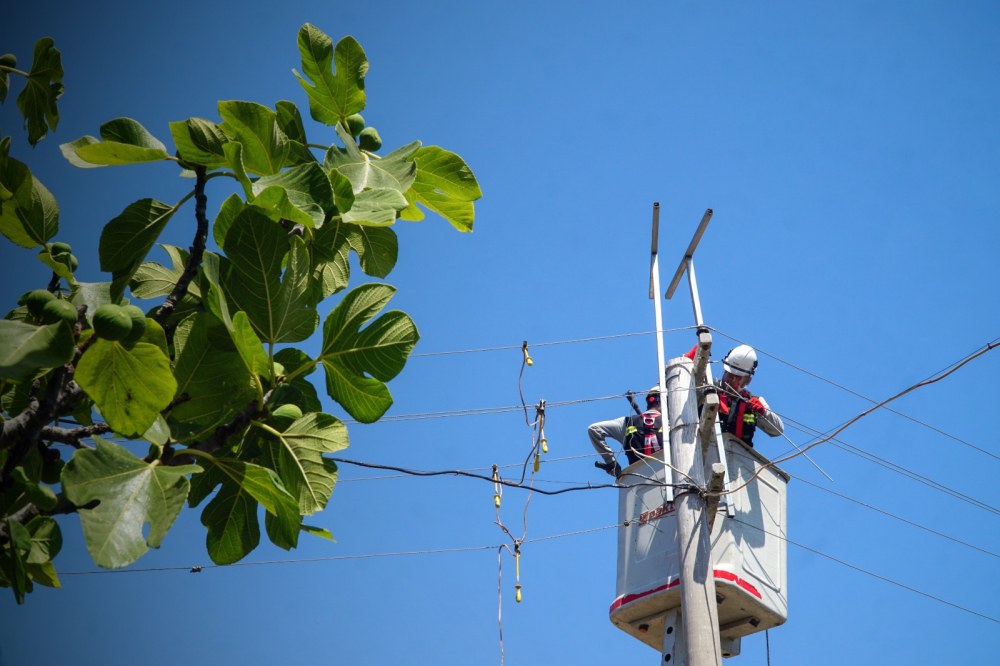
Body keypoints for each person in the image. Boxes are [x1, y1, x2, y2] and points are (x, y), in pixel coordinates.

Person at [688, 343, 783, 448]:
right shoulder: (708, 389)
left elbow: (778, 430)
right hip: (704, 451)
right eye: (729, 374)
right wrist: (687, 363)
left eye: (737, 377)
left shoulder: (754, 400)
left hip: (737, 459)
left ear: (747, 381)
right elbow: (682, 390)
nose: (731, 379)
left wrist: (763, 413)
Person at [588, 386, 664, 478]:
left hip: (637, 482)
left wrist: (611, 462)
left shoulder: (627, 422)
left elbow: (594, 429)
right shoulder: (673, 425)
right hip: (668, 477)